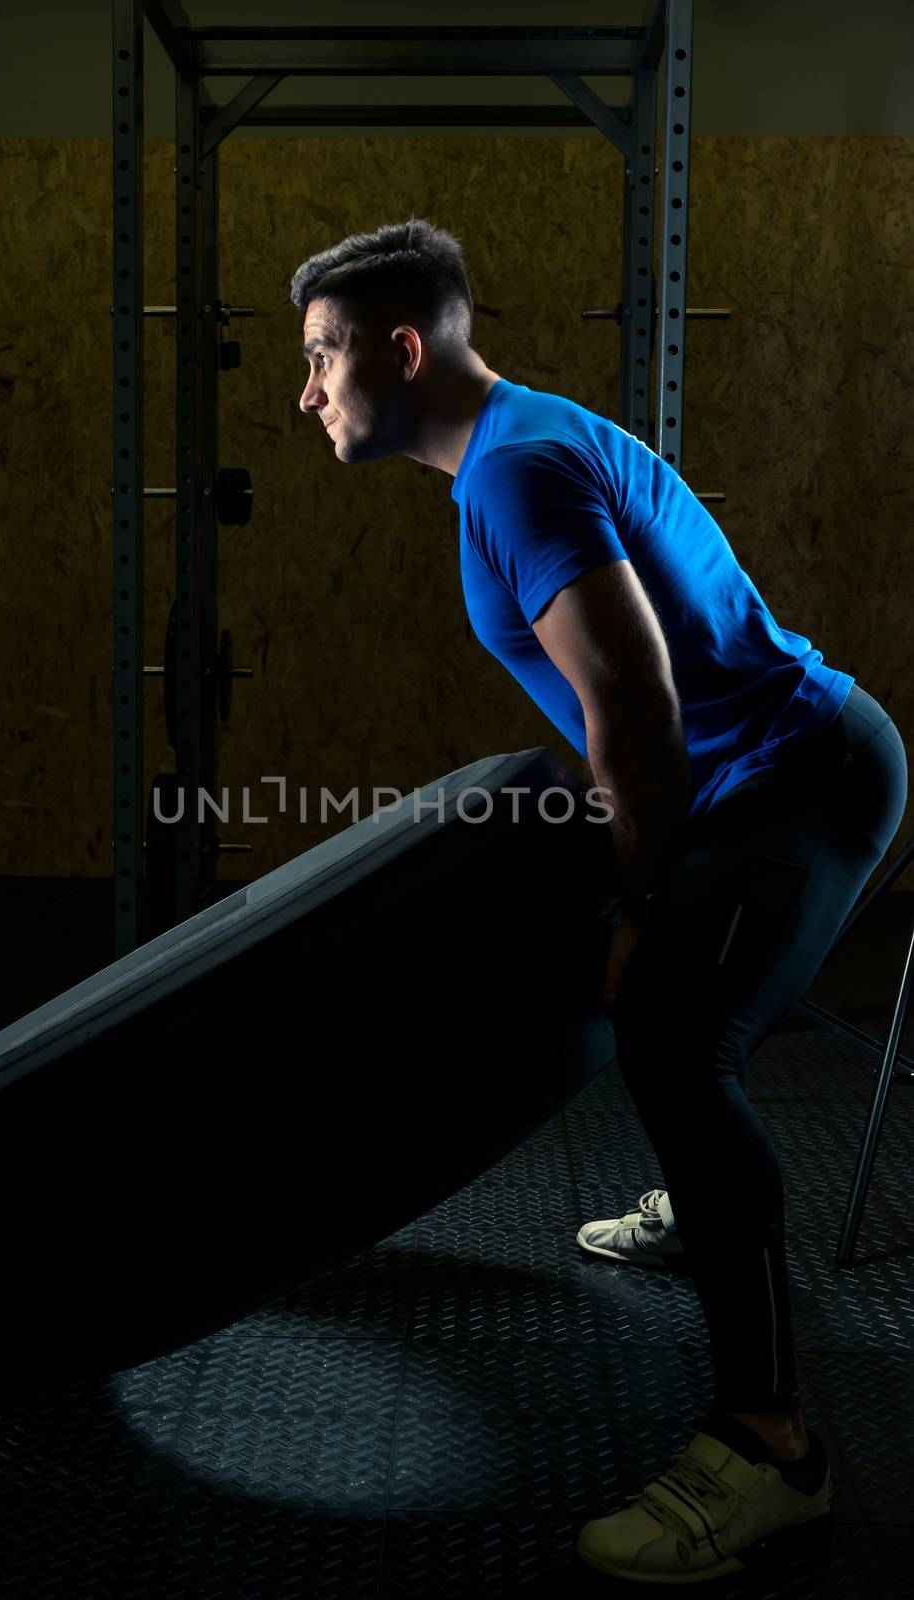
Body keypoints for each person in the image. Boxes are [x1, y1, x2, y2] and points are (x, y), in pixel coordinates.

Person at [289, 217, 908, 1582]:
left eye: (326, 355)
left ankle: (772, 1447)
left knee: (679, 1040)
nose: (307, 390)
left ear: (405, 347)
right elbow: (609, 704)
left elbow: (633, 700)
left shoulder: (513, 475)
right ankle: (707, 1203)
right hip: (745, 776)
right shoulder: (514, 451)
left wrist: (636, 917)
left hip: (802, 780)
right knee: (647, 1002)